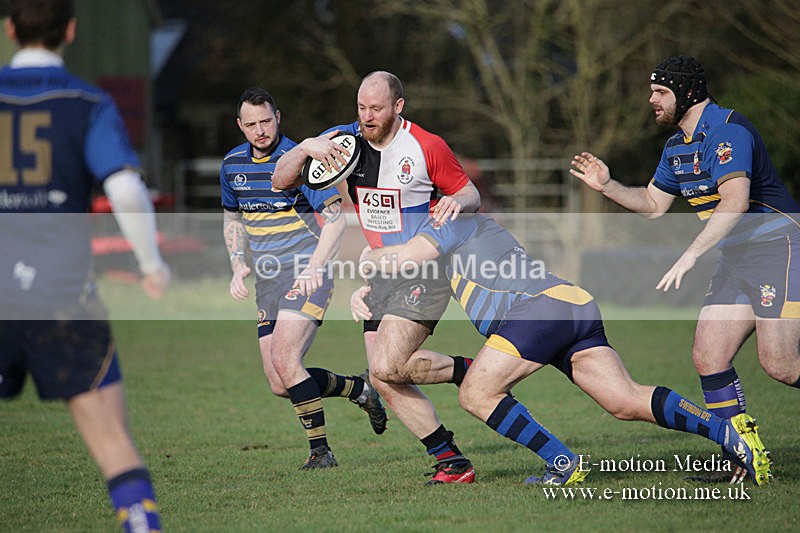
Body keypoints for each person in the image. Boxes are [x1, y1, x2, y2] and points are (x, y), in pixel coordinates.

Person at [353, 213, 772, 486]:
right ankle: (729, 434)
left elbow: (406, 256)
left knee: (476, 392)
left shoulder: (452, 220)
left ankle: (563, 463)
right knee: (625, 401)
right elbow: (414, 274)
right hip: (570, 302)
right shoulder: (461, 235)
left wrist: (368, 256)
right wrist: (368, 293)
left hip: (538, 310)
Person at [570, 55, 799, 481]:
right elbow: (654, 205)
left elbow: (735, 202)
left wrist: (691, 254)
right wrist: (608, 186)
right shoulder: (677, 147)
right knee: (708, 355)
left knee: (781, 365)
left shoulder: (727, 131)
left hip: (777, 249)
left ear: (687, 92)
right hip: (738, 261)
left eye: (660, 93)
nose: (652, 101)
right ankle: (743, 459)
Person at [0, 1, 170, 531]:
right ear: (70, 30)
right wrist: (150, 263)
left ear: (9, 29)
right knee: (111, 439)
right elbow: (123, 187)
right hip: (62, 295)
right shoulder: (86, 101)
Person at [272, 71, 482, 484]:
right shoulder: (343, 144)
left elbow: (470, 193)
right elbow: (282, 179)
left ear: (398, 106)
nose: (367, 117)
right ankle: (452, 461)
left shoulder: (426, 146)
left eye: (376, 108)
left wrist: (456, 203)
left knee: (386, 367)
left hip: (424, 269)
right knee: (385, 380)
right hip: (379, 273)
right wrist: (307, 148)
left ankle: (472, 374)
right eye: (361, 108)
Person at [221, 87, 387, 469]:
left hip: (306, 273)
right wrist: (237, 262)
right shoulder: (231, 165)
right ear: (240, 126)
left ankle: (321, 452)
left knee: (286, 358)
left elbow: (334, 220)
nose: (260, 130)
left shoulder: (305, 162)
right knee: (279, 381)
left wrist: (314, 268)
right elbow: (233, 218)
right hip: (267, 281)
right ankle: (358, 389)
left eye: (266, 121)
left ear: (278, 117)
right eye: (251, 124)